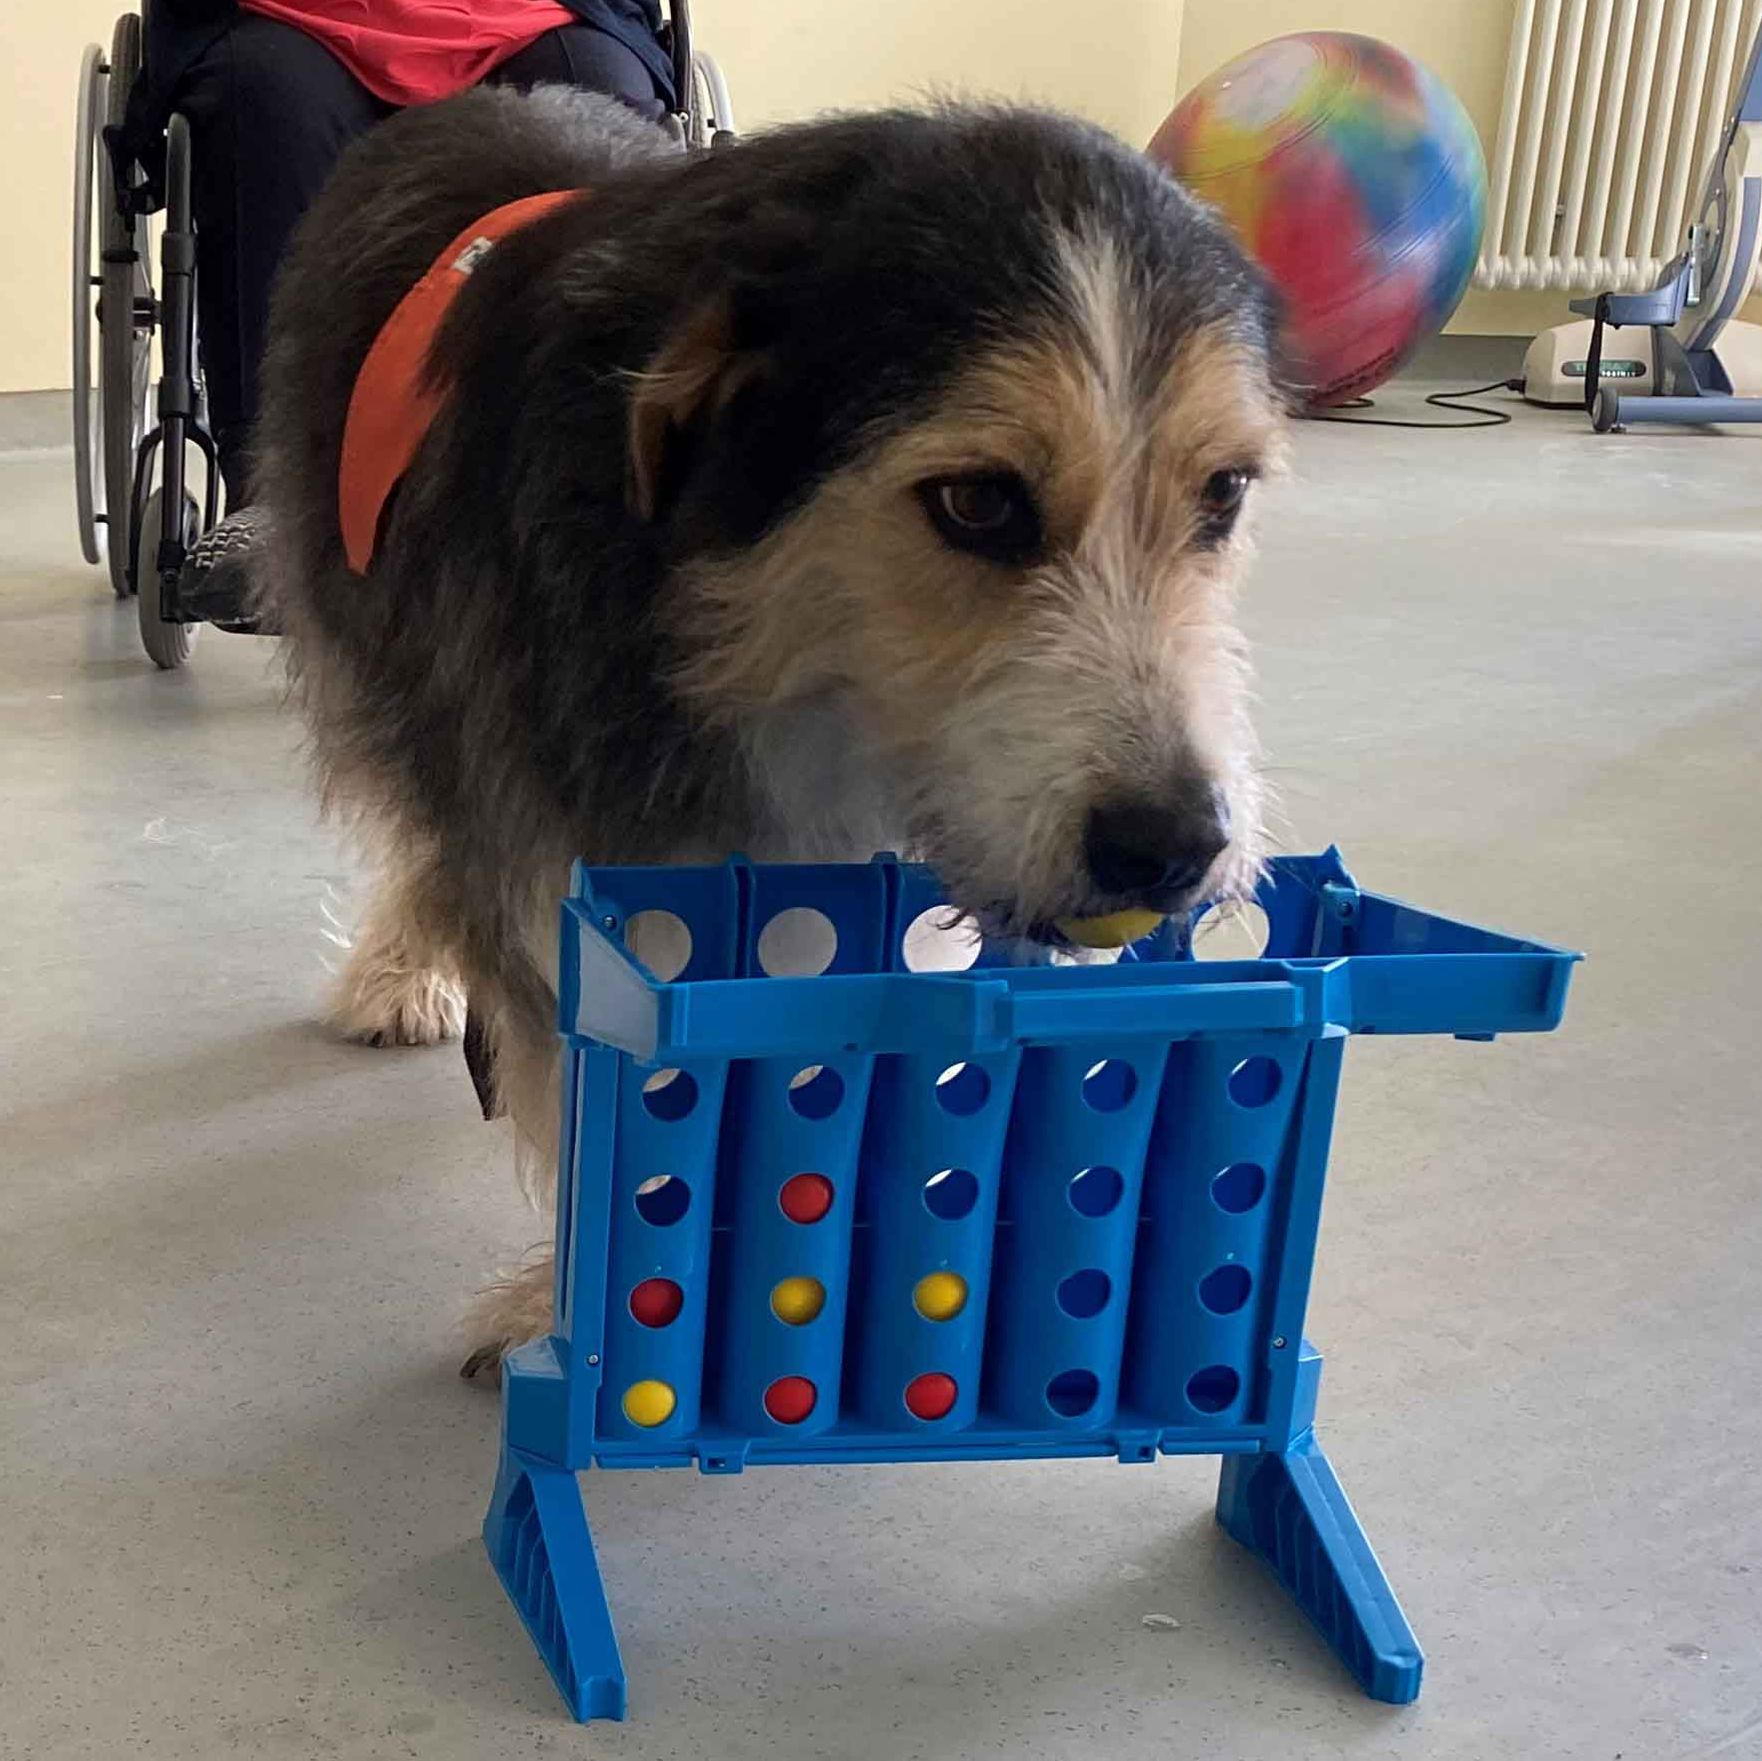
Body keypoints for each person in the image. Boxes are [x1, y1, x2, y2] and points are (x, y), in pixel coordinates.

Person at [118, 0, 677, 611]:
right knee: (262, 105)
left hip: (535, 14)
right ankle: (269, 492)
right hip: (293, 17)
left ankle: (613, 478)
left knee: (599, 112)